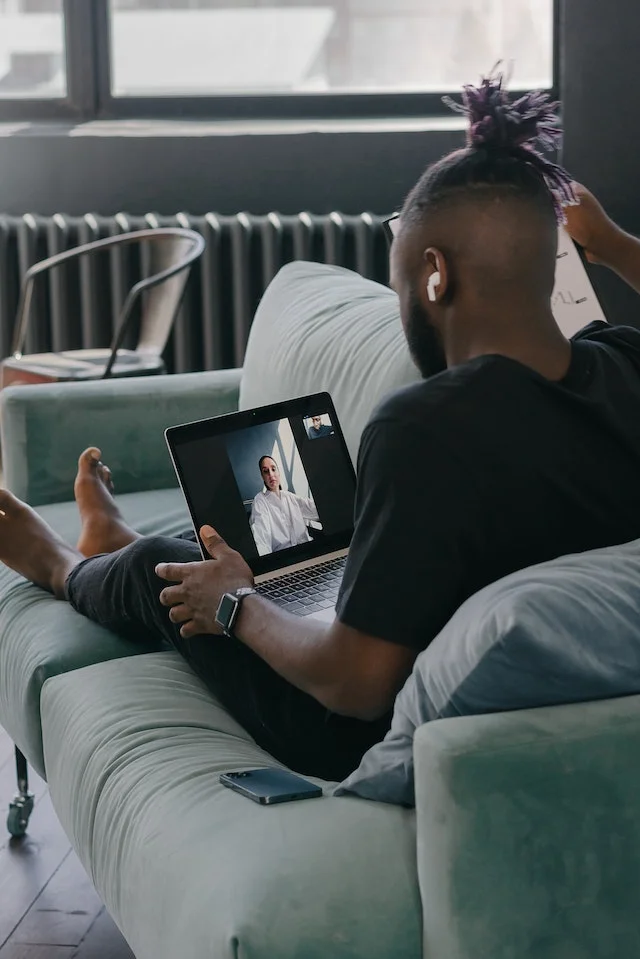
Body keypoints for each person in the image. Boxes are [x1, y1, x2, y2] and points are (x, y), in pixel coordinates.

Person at [4, 70, 640, 783]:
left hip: (344, 729)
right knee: (251, 554)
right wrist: (614, 244)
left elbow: (355, 683)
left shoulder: (426, 427)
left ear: (435, 275)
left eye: (400, 281)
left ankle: (65, 564)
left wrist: (234, 605)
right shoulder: (623, 364)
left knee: (172, 571)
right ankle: (117, 545)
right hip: (496, 672)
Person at [250, 455, 319, 556]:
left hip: (309, 550)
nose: (271, 474)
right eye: (266, 471)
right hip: (285, 557)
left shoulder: (290, 497)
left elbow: (314, 509)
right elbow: (262, 538)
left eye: (273, 469)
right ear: (262, 476)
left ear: (278, 472)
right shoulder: (260, 501)